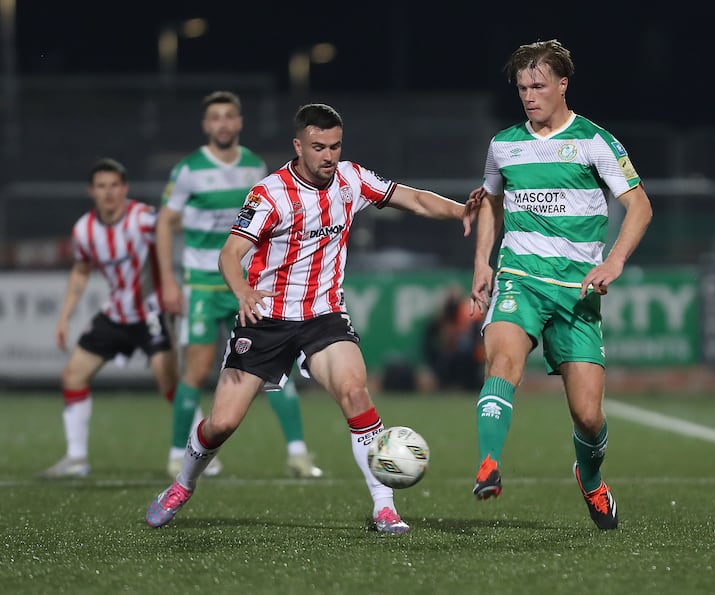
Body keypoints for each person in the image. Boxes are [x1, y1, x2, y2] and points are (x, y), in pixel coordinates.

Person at [146, 103, 480, 533]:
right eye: (318, 146)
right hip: (266, 319)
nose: (328, 156)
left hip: (324, 316)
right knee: (222, 422)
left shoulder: (352, 179)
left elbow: (412, 198)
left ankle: (384, 508)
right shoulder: (268, 193)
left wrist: (460, 211)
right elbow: (230, 254)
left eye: (335, 146)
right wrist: (244, 291)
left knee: (355, 393)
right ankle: (182, 485)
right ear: (298, 146)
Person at [469, 40, 653, 530]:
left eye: (539, 85)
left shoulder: (595, 141)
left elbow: (640, 206)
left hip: (577, 293)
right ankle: (488, 464)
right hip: (520, 279)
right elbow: (488, 201)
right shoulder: (504, 144)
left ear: (562, 85)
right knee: (503, 360)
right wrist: (482, 264)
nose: (529, 96)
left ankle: (590, 480)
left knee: (588, 416)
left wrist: (612, 262)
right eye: (522, 87)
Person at [156, 90, 322, 479]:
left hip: (249, 286)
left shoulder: (254, 167)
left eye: (229, 117)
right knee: (195, 373)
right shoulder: (189, 170)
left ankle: (298, 454)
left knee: (274, 370)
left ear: (239, 122)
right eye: (215, 118)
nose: (223, 124)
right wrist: (167, 278)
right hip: (202, 284)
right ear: (206, 125)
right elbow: (165, 221)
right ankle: (176, 453)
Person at [40, 158, 178, 478]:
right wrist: (64, 318)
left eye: (114, 185)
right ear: (91, 191)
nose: (108, 192)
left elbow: (171, 224)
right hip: (115, 314)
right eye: (101, 186)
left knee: (169, 382)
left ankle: (204, 452)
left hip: (151, 312)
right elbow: (81, 271)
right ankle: (76, 459)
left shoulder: (143, 218)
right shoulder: (84, 229)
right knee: (72, 376)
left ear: (124, 188)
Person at [421, 284, 484, 390]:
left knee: (465, 352)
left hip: (469, 357)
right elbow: (431, 339)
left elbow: (475, 339)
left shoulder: (469, 314)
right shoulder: (442, 319)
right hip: (450, 355)